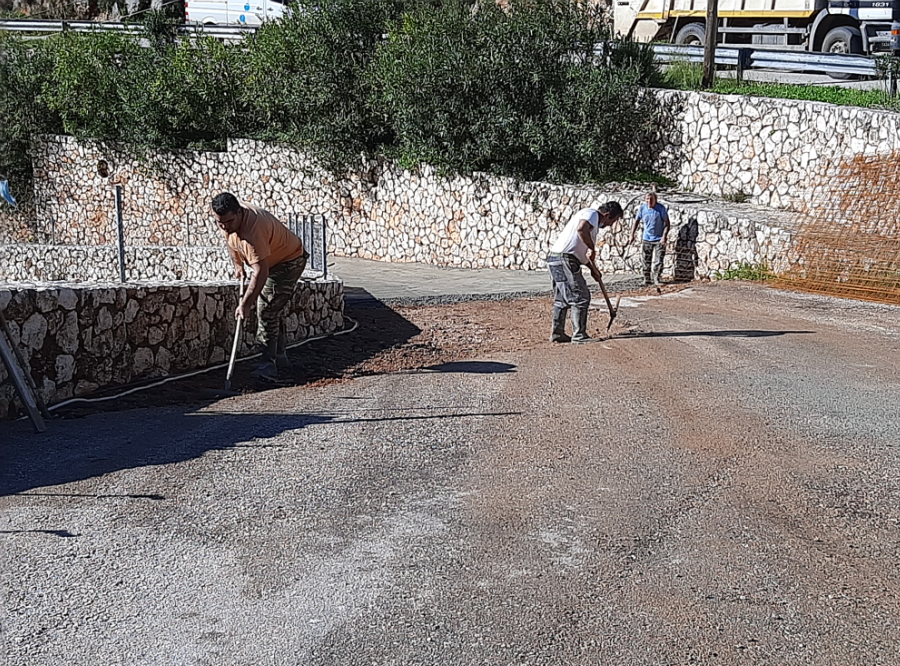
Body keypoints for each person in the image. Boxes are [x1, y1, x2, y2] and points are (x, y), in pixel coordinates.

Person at [212, 192, 308, 380]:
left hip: (289, 260)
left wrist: (245, 304)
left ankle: (268, 364)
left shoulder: (253, 232)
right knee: (272, 308)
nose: (224, 226)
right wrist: (238, 265)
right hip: (271, 261)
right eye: (219, 222)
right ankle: (279, 357)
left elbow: (261, 272)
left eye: (229, 221)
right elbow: (230, 239)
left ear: (239, 213)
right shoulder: (227, 221)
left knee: (266, 309)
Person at [546, 202, 624, 343]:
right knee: (581, 297)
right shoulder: (592, 214)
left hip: (555, 259)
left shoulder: (590, 222)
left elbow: (581, 252)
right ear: (607, 215)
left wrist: (593, 269)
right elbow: (581, 229)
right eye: (612, 221)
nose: (610, 225)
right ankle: (579, 335)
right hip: (565, 260)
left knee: (562, 299)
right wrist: (592, 248)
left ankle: (557, 334)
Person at [631, 191, 670, 286]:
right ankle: (646, 279)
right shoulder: (642, 208)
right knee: (645, 260)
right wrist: (632, 234)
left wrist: (664, 236)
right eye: (647, 199)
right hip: (646, 238)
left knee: (658, 260)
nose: (649, 201)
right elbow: (636, 221)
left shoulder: (661, 208)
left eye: (651, 199)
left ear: (655, 200)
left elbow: (667, 224)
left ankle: (656, 279)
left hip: (659, 239)